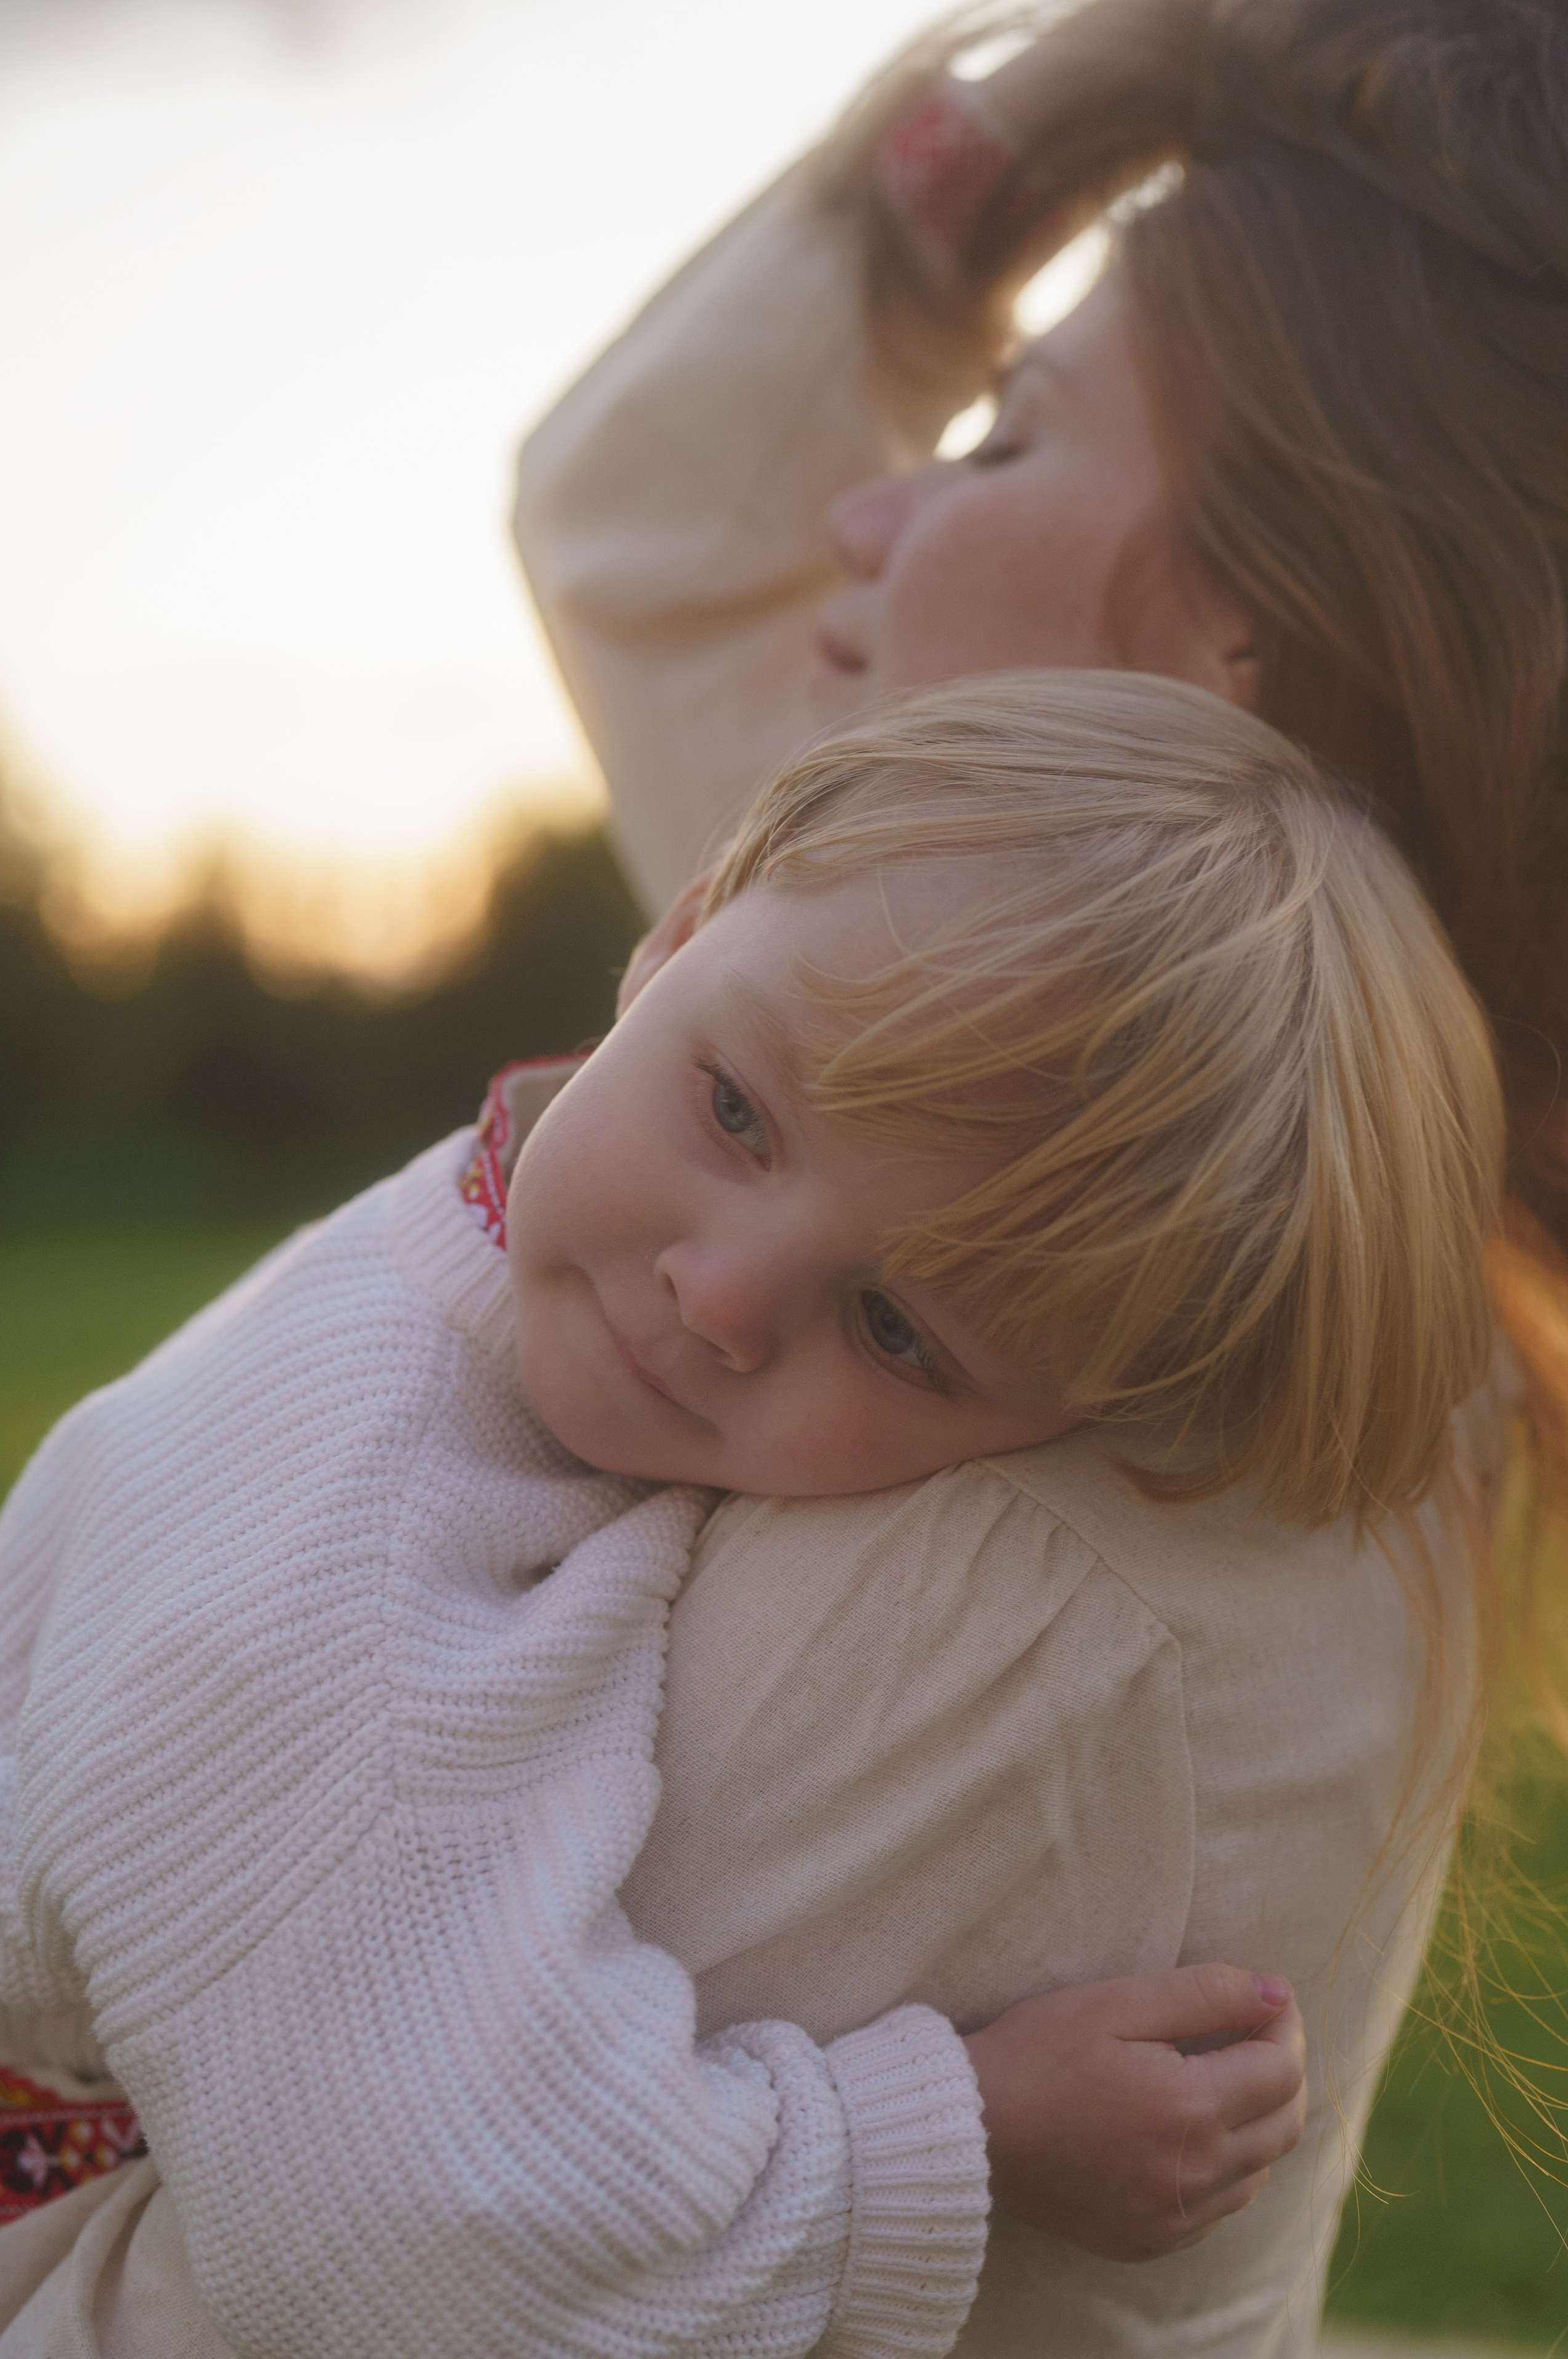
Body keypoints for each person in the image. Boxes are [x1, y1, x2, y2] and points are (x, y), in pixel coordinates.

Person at [0, 671, 1497, 2357]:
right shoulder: (356, 1559)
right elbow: (416, 2246)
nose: (717, 1296)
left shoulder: (477, 1255)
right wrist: (948, 2133)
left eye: (899, 1330)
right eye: (737, 1111)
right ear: (681, 928)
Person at [513, 1, 1568, 2349]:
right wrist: (1113, 86)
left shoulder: (1044, 1577)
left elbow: (356, 2249)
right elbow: (641, 523)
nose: (867, 509)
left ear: (1242, 679)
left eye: (1000, 438)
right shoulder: (1028, 1142)